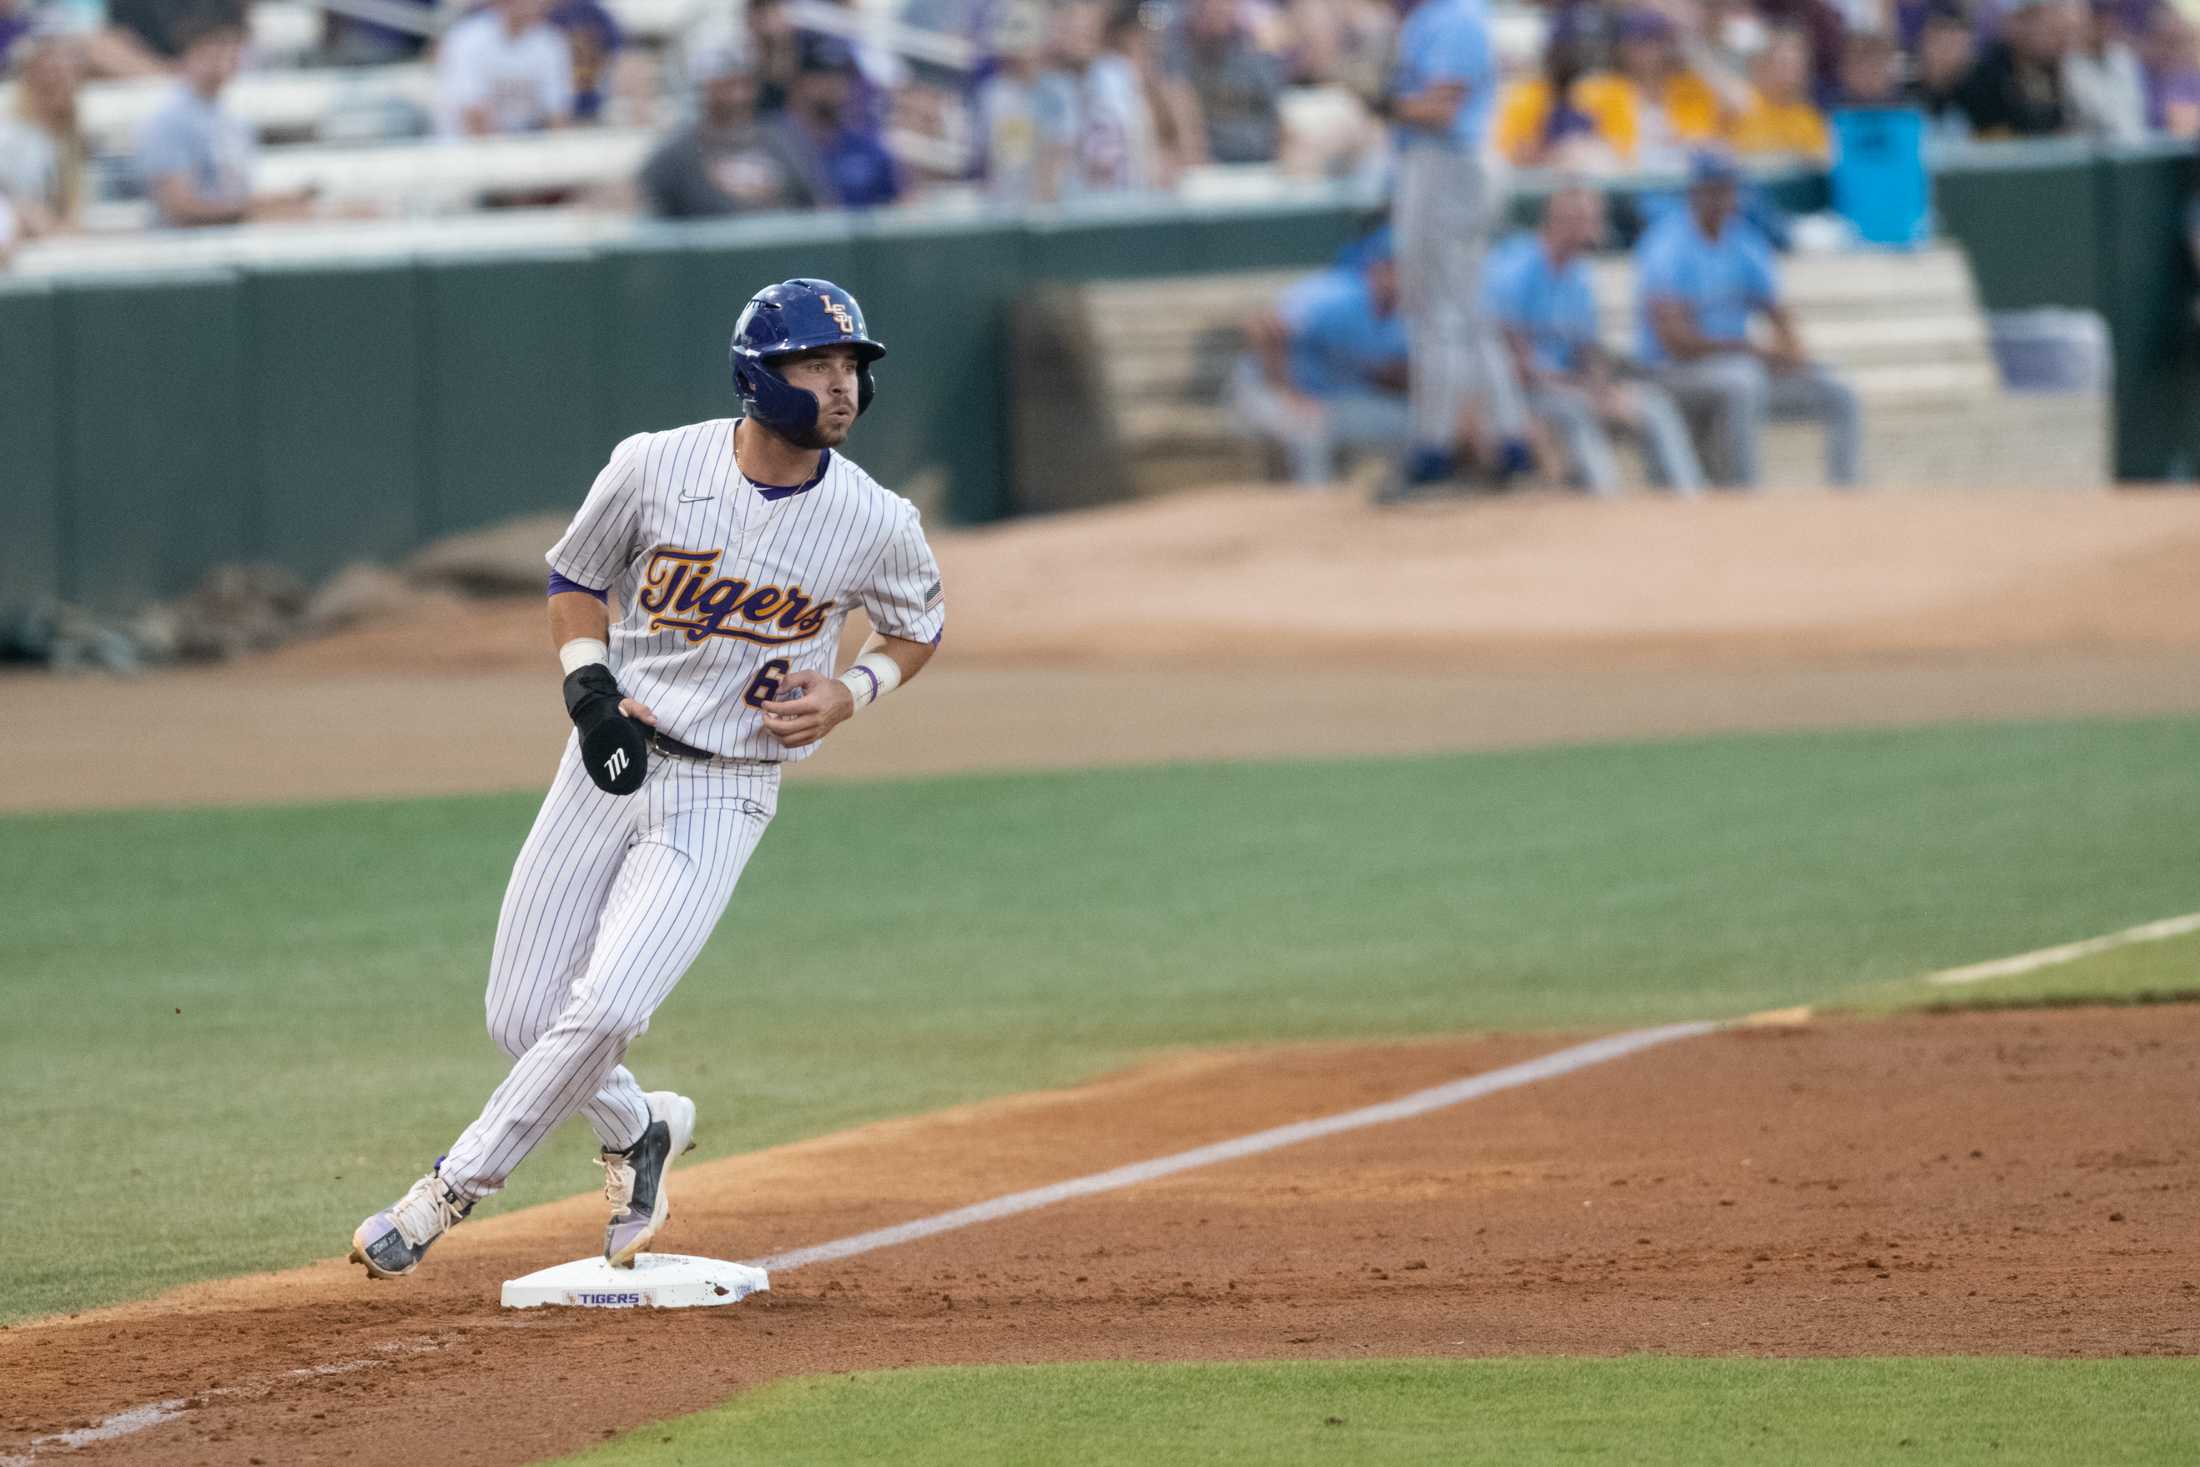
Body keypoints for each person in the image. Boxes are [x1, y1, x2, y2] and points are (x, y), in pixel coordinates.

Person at [349, 278, 946, 1281]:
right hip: (612, 761)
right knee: (521, 1016)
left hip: (731, 785)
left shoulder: (875, 520)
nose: (841, 387)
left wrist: (854, 690)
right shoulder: (653, 466)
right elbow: (576, 577)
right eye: (817, 364)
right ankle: (637, 1132)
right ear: (759, 377)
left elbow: (919, 625)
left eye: (851, 367)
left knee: (613, 1004)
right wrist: (586, 692)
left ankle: (444, 1194)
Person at [1636, 150, 1862, 489]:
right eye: (1713, 188)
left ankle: (1847, 497)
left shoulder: (1743, 241)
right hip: (1675, 373)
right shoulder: (1667, 245)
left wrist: (1791, 354)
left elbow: (1778, 313)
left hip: (1739, 366)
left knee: (1838, 391)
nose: (1723, 198)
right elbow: (1675, 341)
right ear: (1694, 192)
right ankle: (1743, 495)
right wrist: (1749, 351)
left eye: (1728, 188)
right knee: (1742, 381)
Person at [1384, 0, 1530, 495]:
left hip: (1445, 165)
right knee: (1469, 316)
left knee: (1437, 315)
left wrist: (1381, 102)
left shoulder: (1454, 16)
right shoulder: (1445, 15)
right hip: (1451, 165)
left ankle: (1432, 451)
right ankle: (1511, 443)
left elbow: (1442, 108)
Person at [1484, 186, 1705, 496]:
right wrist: (1585, 389)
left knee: (1652, 406)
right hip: (1518, 394)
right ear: (1555, 220)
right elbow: (1513, 362)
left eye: (1592, 219)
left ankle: (1685, 500)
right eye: (1581, 220)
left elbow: (1586, 349)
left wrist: (1604, 389)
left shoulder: (1579, 275)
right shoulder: (1514, 269)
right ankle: (1604, 501)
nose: (1590, 228)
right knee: (1575, 409)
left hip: (1568, 385)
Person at [1231, 231, 1411, 485]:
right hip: (1263, 389)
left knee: (1409, 424)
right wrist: (1288, 393)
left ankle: (1397, 497)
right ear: (1375, 269)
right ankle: (1309, 508)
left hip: (1330, 398)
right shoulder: (1334, 293)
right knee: (1308, 426)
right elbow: (1262, 327)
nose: (1400, 278)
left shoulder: (1411, 312)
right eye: (1393, 268)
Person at [133, 12, 314, 227]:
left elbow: (233, 195)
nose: (223, 59)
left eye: (230, 49)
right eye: (214, 49)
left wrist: (281, 202)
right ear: (189, 54)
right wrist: (260, 210)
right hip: (183, 251)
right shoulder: (168, 121)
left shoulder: (235, 121)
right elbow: (179, 208)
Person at [638, 42, 813, 217]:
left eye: (745, 85)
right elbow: (651, 215)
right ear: (704, 90)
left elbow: (819, 206)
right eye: (727, 86)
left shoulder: (781, 140)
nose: (738, 96)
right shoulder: (677, 153)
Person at [1571, 10, 1726, 170]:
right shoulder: (1599, 88)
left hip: (1683, 180)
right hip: (1626, 185)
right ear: (1621, 47)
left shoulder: (1688, 87)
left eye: (1655, 41)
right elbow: (1578, 144)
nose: (1647, 50)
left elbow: (1740, 106)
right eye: (1638, 43)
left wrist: (1694, 55)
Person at [770, 34, 900, 208]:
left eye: (841, 75)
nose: (834, 84)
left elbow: (896, 204)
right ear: (800, 82)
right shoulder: (775, 142)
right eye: (822, 74)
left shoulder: (866, 147)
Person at [1161, 0, 1287, 165]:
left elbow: (1280, 119)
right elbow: (1178, 118)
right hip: (1203, 168)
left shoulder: (1254, 50)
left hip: (1262, 167)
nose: (1219, 7)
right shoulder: (1175, 52)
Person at [435, 0, 574, 137]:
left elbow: (557, 115)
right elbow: (473, 116)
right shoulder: (467, 38)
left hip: (528, 149)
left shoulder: (551, 42)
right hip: (465, 149)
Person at [0, 33, 90, 238]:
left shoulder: (71, 138)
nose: (62, 84)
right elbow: (20, 207)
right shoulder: (10, 137)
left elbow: (74, 209)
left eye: (68, 75)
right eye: (52, 74)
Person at [1955, 0, 2077, 138]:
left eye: (2041, 19)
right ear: (2011, 23)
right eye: (2028, 19)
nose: (2036, 28)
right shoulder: (1985, 76)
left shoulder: (2055, 69)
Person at [1728, 24, 1831, 159]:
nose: (1792, 73)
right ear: (1761, 65)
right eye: (1783, 64)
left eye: (1797, 65)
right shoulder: (1738, 104)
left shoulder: (1808, 117)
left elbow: (1820, 163)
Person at [2064, 0, 2148, 140]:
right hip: (2091, 150)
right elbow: (2091, 111)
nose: (2104, 27)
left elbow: (2136, 107)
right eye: (2098, 21)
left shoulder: (2125, 57)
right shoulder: (2070, 62)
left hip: (2133, 146)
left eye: (2108, 20)